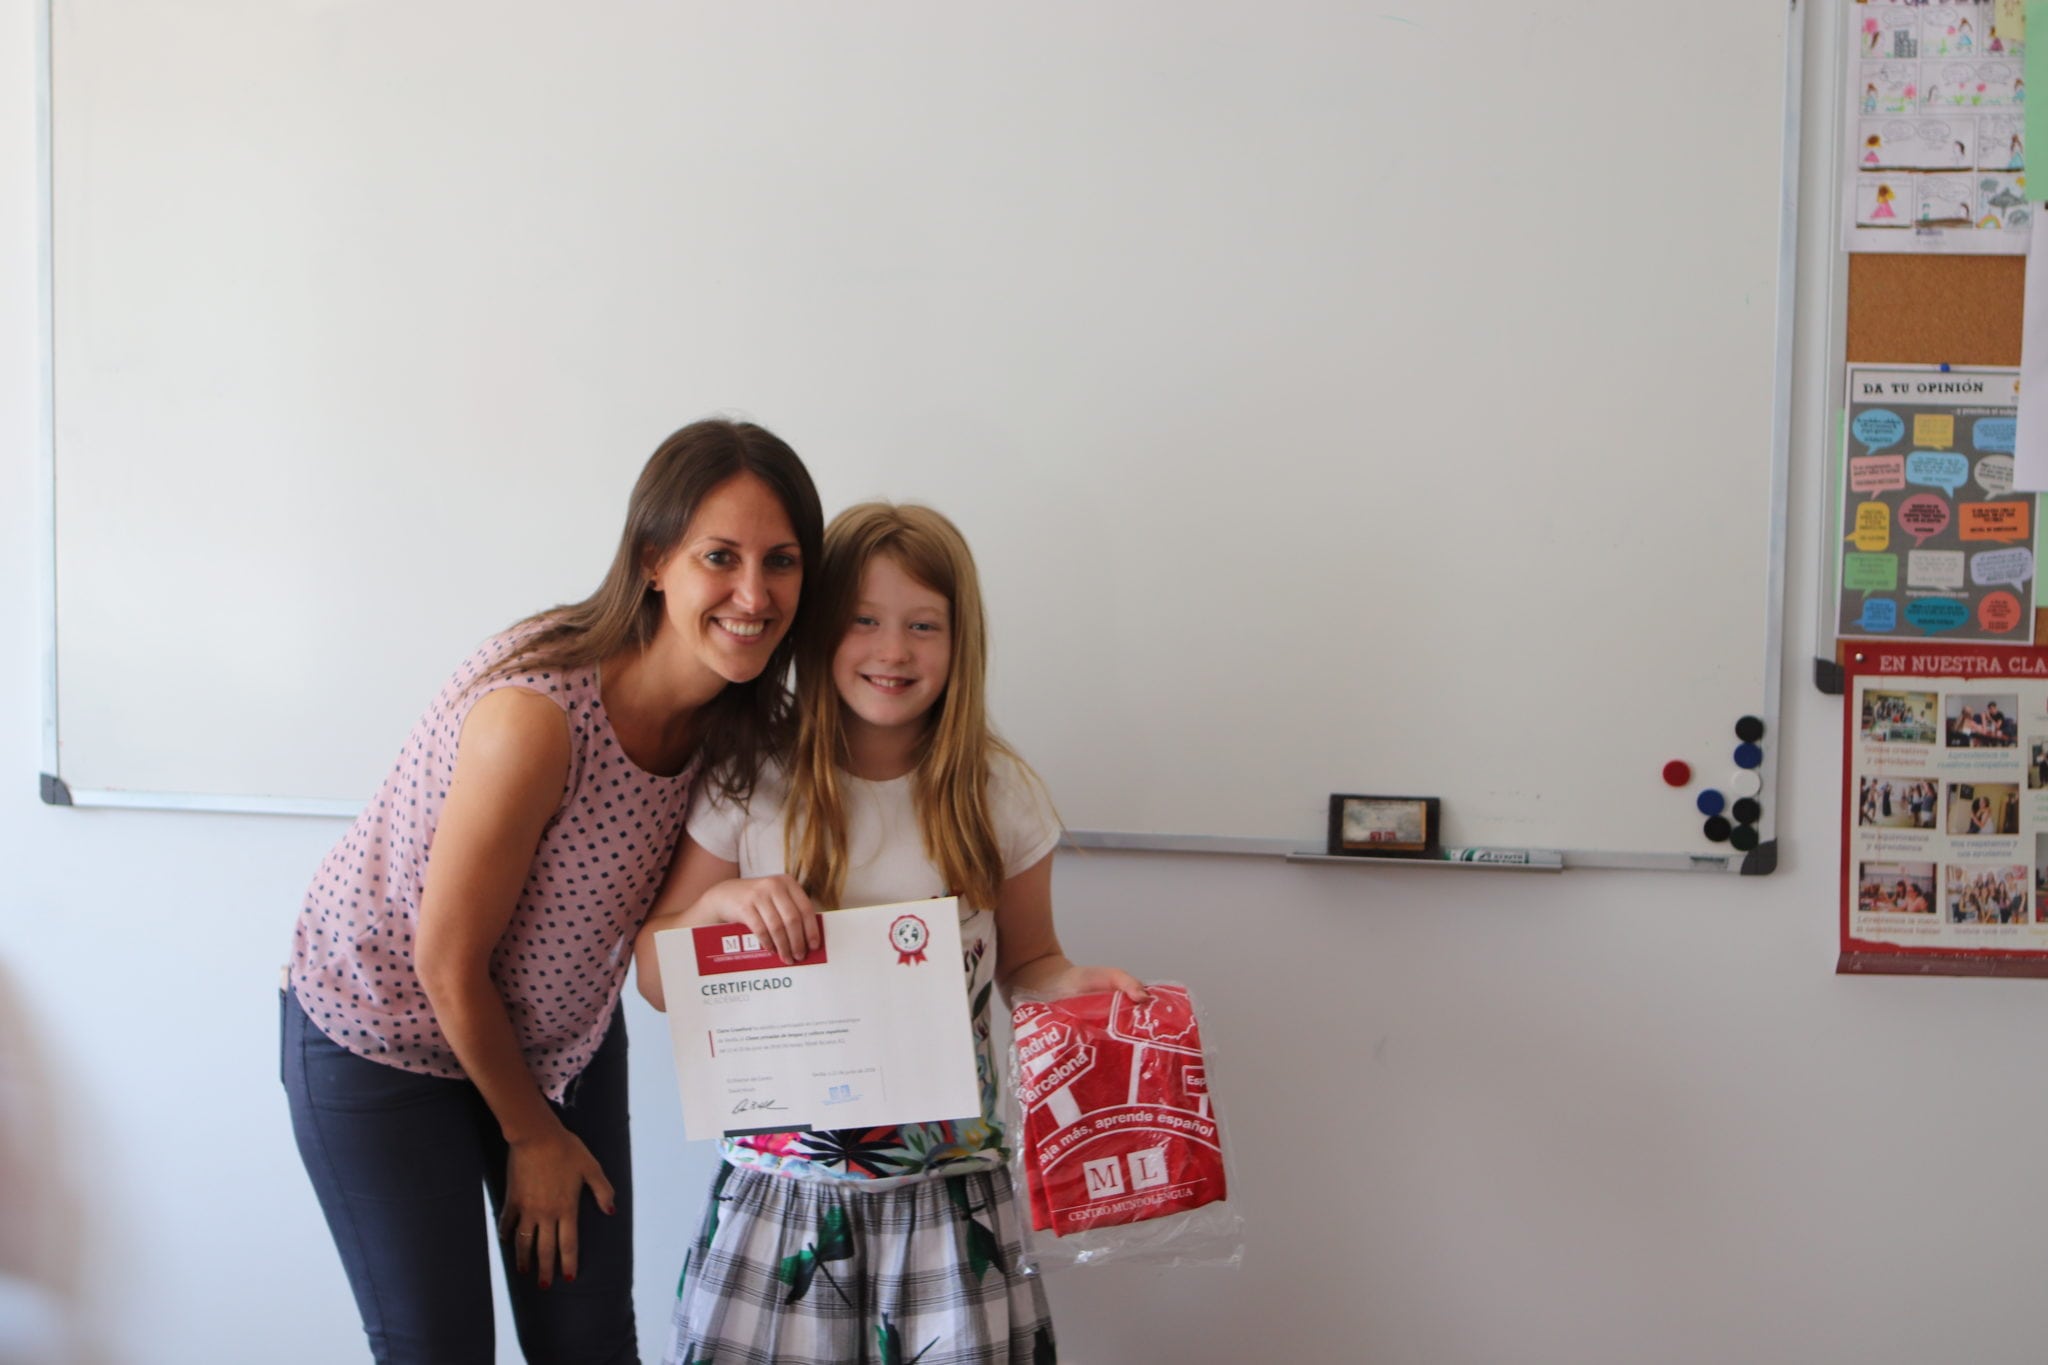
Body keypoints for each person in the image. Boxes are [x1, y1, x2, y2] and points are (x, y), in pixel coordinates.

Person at [281, 419, 824, 1364]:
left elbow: (665, 939)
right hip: (383, 1032)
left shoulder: (742, 729)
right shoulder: (535, 716)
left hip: (558, 1037)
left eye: (781, 561)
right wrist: (531, 1136)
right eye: (720, 557)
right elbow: (447, 962)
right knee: (439, 1347)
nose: (754, 593)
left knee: (590, 1344)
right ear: (653, 560)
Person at [634, 503, 1145, 1365]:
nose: (893, 650)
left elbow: (1029, 960)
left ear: (960, 640)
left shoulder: (996, 791)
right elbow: (655, 975)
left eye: (923, 625)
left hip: (949, 1196)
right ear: (820, 629)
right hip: (782, 1196)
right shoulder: (752, 780)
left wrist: (1073, 986)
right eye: (863, 621)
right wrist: (716, 909)